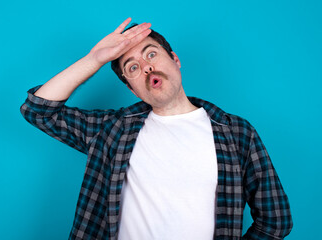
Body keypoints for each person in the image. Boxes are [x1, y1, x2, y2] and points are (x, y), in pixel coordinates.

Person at [20, 18, 293, 240]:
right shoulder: (112, 129)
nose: (147, 66)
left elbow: (275, 220)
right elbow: (38, 110)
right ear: (131, 87)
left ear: (175, 59)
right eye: (133, 67)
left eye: (151, 53)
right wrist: (95, 59)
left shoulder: (237, 133)